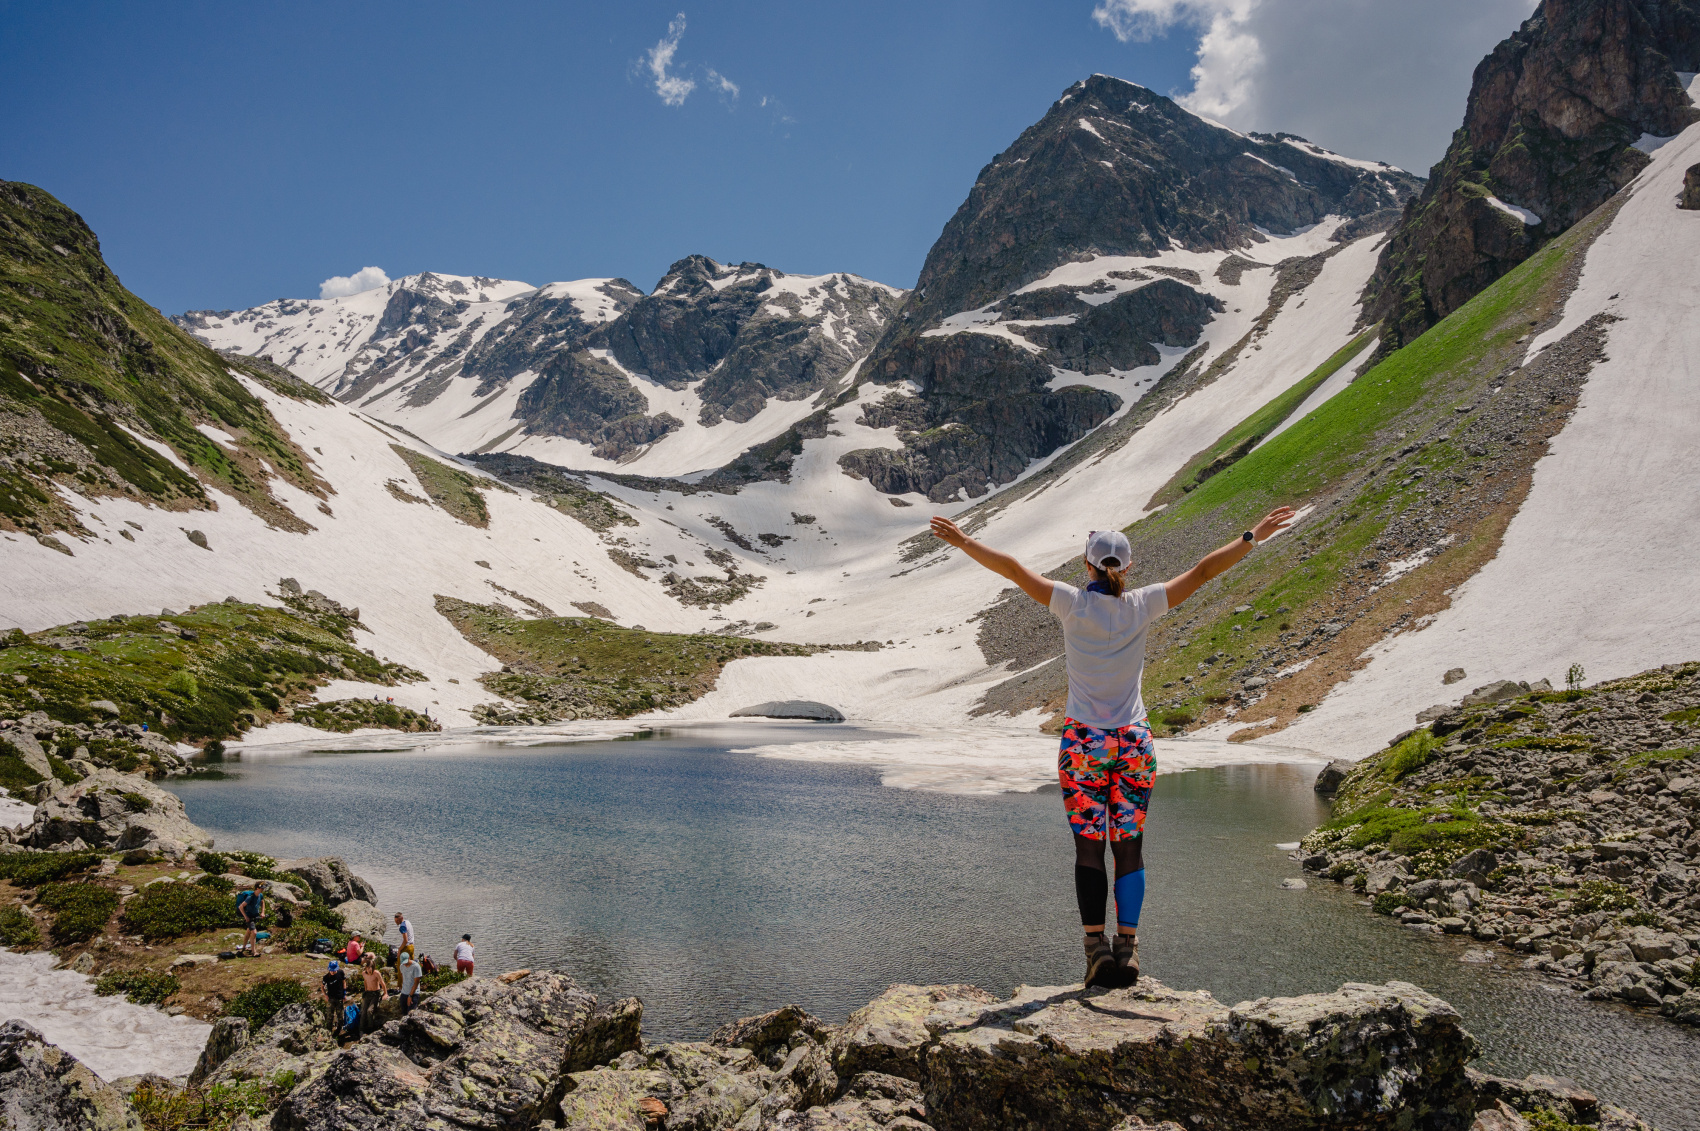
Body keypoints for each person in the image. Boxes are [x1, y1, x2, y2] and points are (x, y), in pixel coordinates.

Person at [930, 507, 1294, 988]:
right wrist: (1252, 535)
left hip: (1084, 742)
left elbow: (1015, 570)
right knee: (1130, 849)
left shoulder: (1070, 603)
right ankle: (1128, 949)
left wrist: (964, 543)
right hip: (1134, 741)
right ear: (1128, 567)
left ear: (1087, 565)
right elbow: (1205, 570)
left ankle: (1094, 947)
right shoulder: (1143, 603)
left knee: (1088, 849)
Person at [235, 881, 268, 956]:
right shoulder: (250, 897)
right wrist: (245, 916)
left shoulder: (260, 895)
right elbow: (241, 907)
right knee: (254, 932)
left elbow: (262, 902)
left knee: (248, 932)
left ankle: (243, 948)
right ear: (257, 888)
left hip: (255, 916)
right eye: (261, 888)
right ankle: (254, 952)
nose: (262, 890)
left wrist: (262, 912)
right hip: (249, 917)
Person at [359, 953, 388, 1034]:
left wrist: (385, 993)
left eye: (370, 968)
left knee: (369, 1011)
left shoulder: (376, 973)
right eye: (368, 968)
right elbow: (365, 982)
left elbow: (382, 983)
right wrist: (365, 992)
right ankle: (361, 1029)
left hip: (376, 993)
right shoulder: (364, 973)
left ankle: (370, 1028)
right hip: (368, 993)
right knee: (363, 1011)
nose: (369, 970)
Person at [320, 959, 347, 1039]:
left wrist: (344, 993)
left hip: (339, 998)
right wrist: (325, 995)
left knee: (340, 1015)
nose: (332, 972)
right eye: (331, 971)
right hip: (331, 998)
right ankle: (328, 1032)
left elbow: (344, 982)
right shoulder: (326, 977)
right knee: (329, 1016)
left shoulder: (340, 973)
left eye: (334, 971)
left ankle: (339, 1030)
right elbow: (322, 986)